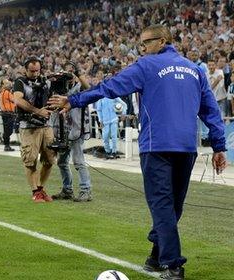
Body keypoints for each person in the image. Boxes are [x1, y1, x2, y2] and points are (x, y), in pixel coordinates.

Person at [48, 24, 227, 280]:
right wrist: (219, 146)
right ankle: (156, 257)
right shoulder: (195, 70)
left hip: (156, 146)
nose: (142, 49)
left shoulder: (146, 66)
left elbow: (109, 87)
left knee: (162, 205)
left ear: (162, 40)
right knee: (173, 206)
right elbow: (211, 111)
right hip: (187, 148)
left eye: (146, 43)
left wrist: (73, 100)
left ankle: (173, 265)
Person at [12, 57, 56, 203]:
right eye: (32, 71)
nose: (35, 74)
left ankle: (41, 188)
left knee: (50, 159)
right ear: (26, 70)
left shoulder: (46, 81)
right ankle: (35, 191)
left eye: (37, 70)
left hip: (46, 124)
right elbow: (18, 100)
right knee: (30, 160)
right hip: (28, 125)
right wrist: (38, 111)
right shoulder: (20, 82)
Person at [51, 64, 94, 202]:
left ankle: (85, 190)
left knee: (78, 161)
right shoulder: (57, 90)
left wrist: (78, 73)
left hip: (76, 129)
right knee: (62, 162)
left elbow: (89, 88)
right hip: (63, 131)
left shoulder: (78, 88)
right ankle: (67, 189)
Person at [0, 78, 16, 151]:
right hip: (8, 113)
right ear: (3, 85)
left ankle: (6, 144)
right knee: (9, 130)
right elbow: (14, 100)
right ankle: (6, 145)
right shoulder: (7, 93)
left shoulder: (2, 93)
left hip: (5, 113)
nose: (9, 85)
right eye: (7, 83)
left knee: (7, 130)